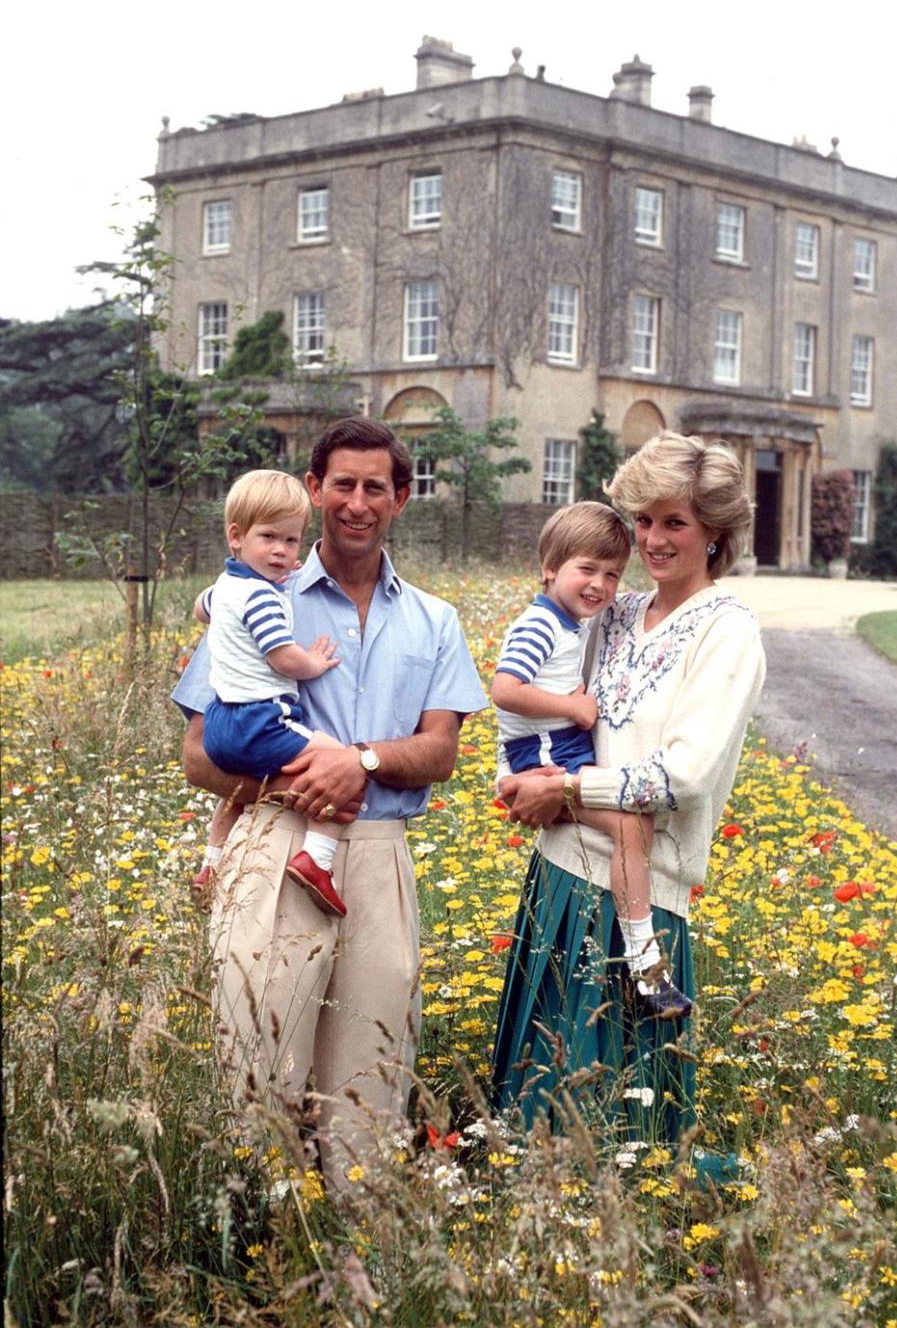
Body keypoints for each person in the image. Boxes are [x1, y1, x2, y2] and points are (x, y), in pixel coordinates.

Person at [172, 418, 487, 1191]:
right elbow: (196, 754)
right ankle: (259, 1242)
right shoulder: (255, 593)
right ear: (314, 491)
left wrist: (363, 762)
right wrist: (300, 785)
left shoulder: (434, 620)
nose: (356, 502)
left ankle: (358, 1250)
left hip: (378, 855)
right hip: (277, 842)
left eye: (374, 487)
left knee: (371, 1065)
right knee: (257, 1058)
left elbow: (440, 751)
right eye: (340, 484)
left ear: (401, 499)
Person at [491, 430, 766, 1152]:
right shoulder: (609, 612)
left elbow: (681, 776)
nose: (652, 538)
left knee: (619, 1124)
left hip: (643, 898)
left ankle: (624, 1241)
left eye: (673, 522)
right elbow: (537, 690)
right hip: (559, 875)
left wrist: (565, 788)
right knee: (537, 1104)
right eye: (644, 520)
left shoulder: (727, 632)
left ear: (715, 532)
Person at [491, 501, 691, 1019]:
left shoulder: (571, 625)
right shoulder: (540, 626)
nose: (600, 584)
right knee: (631, 828)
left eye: (612, 574)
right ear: (551, 567)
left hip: (561, 756)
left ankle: (641, 954)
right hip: (549, 759)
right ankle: (645, 966)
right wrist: (572, 707)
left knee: (635, 829)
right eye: (587, 569)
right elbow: (505, 690)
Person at [190, 469, 348, 917]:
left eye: (292, 541)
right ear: (236, 536)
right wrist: (313, 662)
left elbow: (200, 610)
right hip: (261, 718)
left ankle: (212, 863)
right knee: (340, 764)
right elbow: (282, 657)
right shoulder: (260, 597)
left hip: (220, 721)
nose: (281, 551)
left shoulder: (224, 588)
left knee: (235, 795)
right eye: (269, 538)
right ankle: (317, 861)